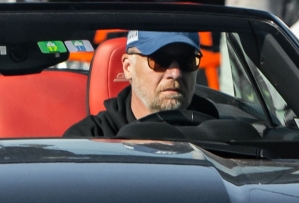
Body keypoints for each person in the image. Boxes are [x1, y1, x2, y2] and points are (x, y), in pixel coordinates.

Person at [65, 30, 231, 138]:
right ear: (128, 67)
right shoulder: (89, 140)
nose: (175, 73)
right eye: (160, 60)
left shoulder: (222, 136)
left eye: (187, 61)